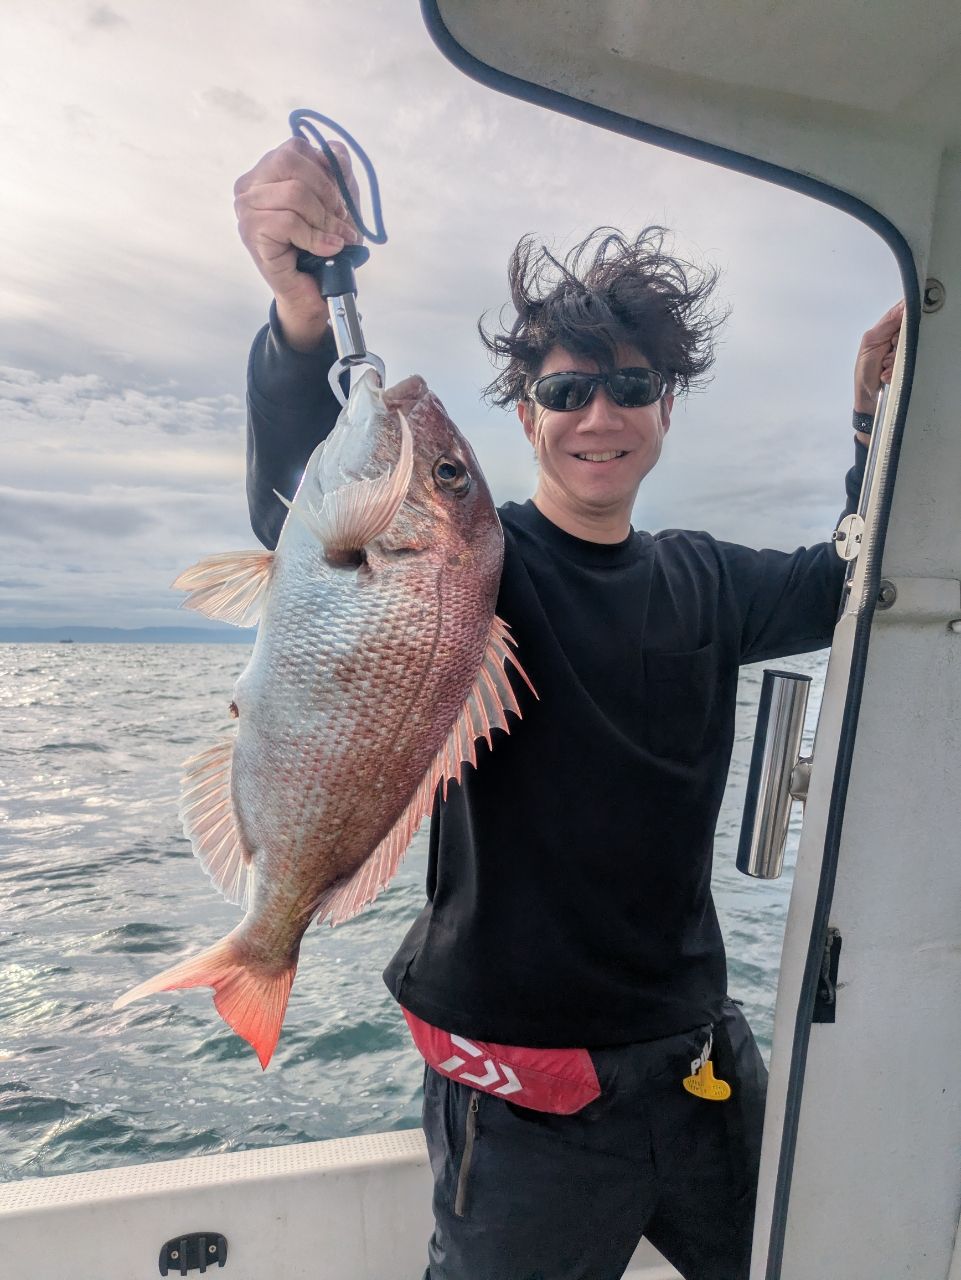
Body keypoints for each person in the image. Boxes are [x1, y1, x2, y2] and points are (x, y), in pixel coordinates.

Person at [234, 137, 902, 1280]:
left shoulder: (707, 577)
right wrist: (302, 318)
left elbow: (847, 580)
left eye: (630, 383)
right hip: (519, 1096)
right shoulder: (472, 569)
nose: (600, 412)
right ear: (528, 411)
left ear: (666, 402)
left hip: (697, 1065)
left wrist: (869, 426)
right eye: (565, 388)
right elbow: (308, 510)